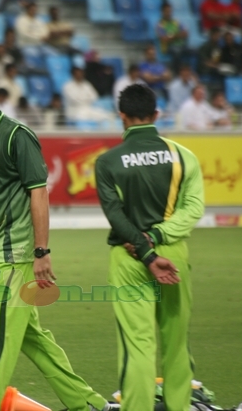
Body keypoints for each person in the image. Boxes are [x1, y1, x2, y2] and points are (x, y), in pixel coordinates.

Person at [0, 88, 116, 411]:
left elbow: (39, 193)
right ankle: (88, 403)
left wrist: (41, 252)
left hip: (13, 257)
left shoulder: (17, 136)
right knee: (34, 340)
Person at [95, 84, 202, 411]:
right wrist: (156, 239)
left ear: (122, 117)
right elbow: (193, 209)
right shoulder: (184, 156)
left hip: (128, 259)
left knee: (138, 346)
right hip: (173, 257)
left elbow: (115, 215)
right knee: (176, 344)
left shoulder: (107, 161)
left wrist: (143, 248)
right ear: (156, 115)